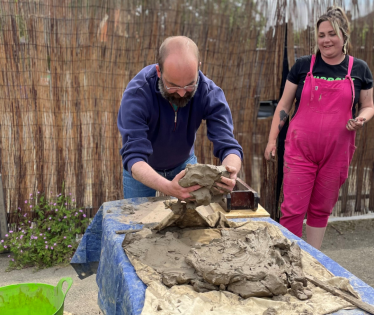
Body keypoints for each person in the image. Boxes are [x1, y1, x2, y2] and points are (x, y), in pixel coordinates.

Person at [264, 6, 374, 250]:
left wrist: (361, 119)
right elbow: (284, 104)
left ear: (344, 36)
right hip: (300, 150)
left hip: (337, 152)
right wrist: (272, 140)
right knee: (292, 208)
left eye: (331, 34)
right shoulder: (304, 66)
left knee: (321, 208)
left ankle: (313, 258)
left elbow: (368, 105)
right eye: (321, 35)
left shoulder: (359, 70)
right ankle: (288, 258)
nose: (326, 40)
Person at [118, 36, 243, 200]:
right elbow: (133, 157)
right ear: (159, 71)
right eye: (173, 86)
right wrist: (169, 188)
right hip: (144, 168)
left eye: (190, 84)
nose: (182, 93)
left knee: (193, 222)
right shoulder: (137, 94)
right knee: (137, 220)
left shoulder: (209, 92)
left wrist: (230, 170)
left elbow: (228, 145)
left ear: (198, 68)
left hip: (184, 164)